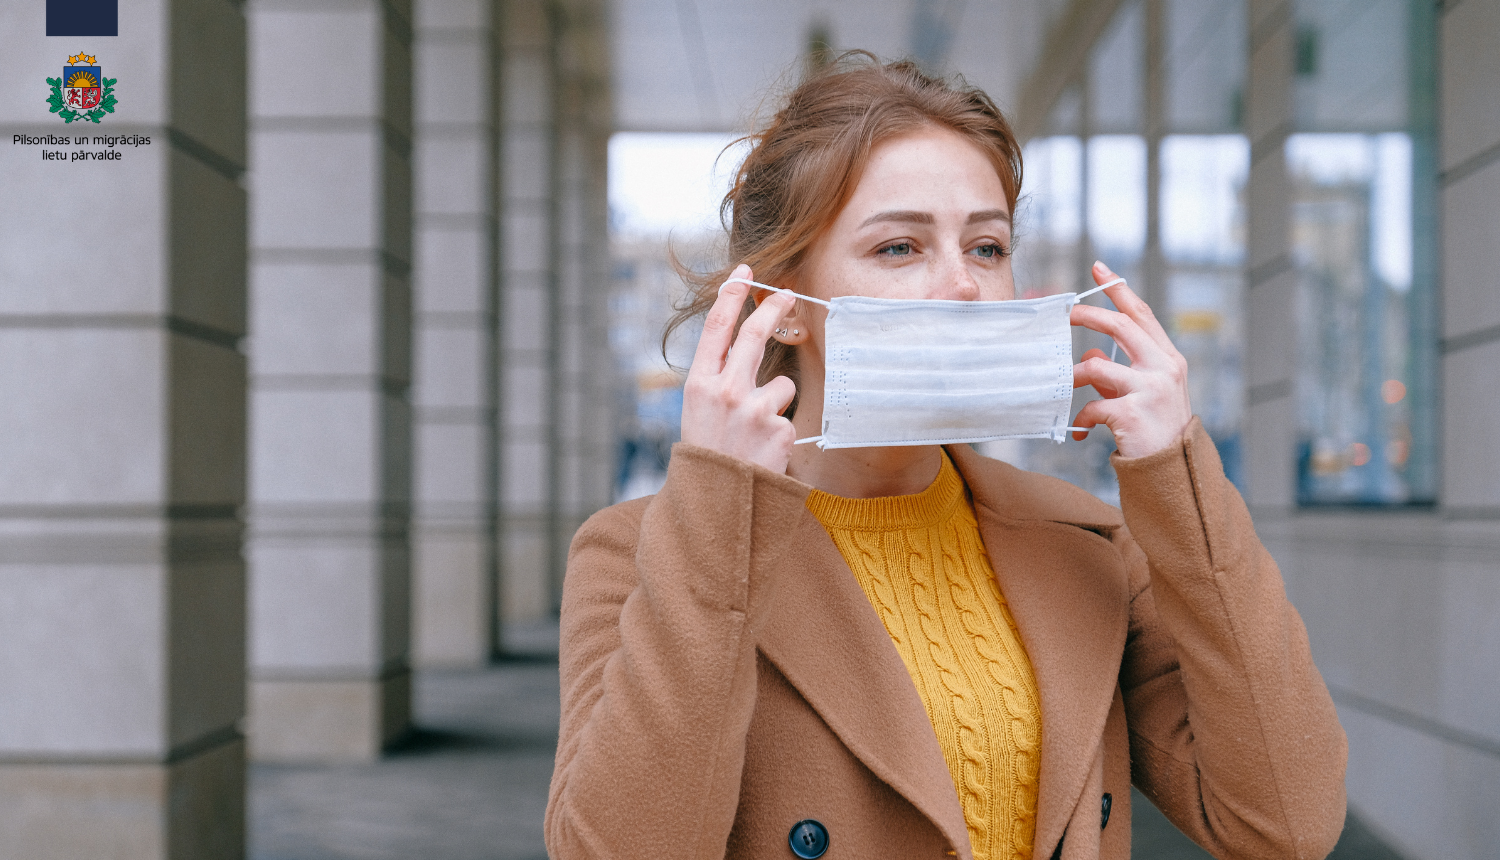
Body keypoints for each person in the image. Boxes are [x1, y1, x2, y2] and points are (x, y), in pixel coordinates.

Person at [545, 54, 1346, 860]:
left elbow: (1287, 823)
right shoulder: (638, 554)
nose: (963, 286)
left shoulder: (1089, 545)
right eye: (900, 247)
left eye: (988, 247)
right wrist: (718, 513)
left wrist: (1180, 482)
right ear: (782, 305)